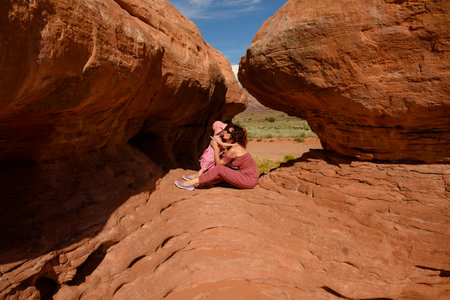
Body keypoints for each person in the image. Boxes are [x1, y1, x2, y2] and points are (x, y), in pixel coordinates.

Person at [175, 123, 259, 190]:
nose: (225, 132)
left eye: (228, 132)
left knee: (219, 168)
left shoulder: (234, 149)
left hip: (249, 179)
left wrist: (215, 148)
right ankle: (200, 180)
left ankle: (189, 184)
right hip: (246, 177)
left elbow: (219, 164)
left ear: (233, 136)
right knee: (222, 170)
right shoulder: (233, 146)